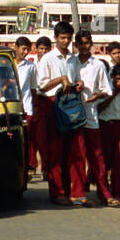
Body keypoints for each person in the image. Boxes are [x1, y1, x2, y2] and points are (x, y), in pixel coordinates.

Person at [66, 29, 112, 207]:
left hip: (92, 114)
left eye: (87, 43)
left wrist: (98, 96)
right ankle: (78, 193)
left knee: (97, 156)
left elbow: (107, 90)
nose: (85, 47)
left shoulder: (98, 65)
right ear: (76, 44)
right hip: (73, 115)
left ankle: (103, 192)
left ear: (91, 44)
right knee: (77, 155)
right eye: (81, 43)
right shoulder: (70, 63)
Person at [34, 24, 74, 204]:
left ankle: (67, 190)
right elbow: (42, 86)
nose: (66, 41)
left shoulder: (73, 58)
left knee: (68, 150)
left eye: (68, 38)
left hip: (70, 105)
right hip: (51, 104)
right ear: (56, 38)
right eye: (62, 38)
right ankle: (56, 192)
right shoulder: (48, 58)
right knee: (54, 151)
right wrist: (61, 79)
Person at [97, 62, 120, 207]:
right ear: (112, 77)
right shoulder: (106, 89)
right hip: (106, 125)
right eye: (117, 79)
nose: (119, 82)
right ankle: (103, 192)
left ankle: (118, 192)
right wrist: (113, 94)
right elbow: (99, 108)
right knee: (105, 161)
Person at [14, 36, 39, 179]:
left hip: (27, 108)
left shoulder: (31, 67)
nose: (25, 52)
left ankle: (27, 167)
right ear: (16, 47)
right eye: (23, 49)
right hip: (12, 108)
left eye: (27, 50)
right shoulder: (7, 64)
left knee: (27, 139)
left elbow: (33, 88)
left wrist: (35, 108)